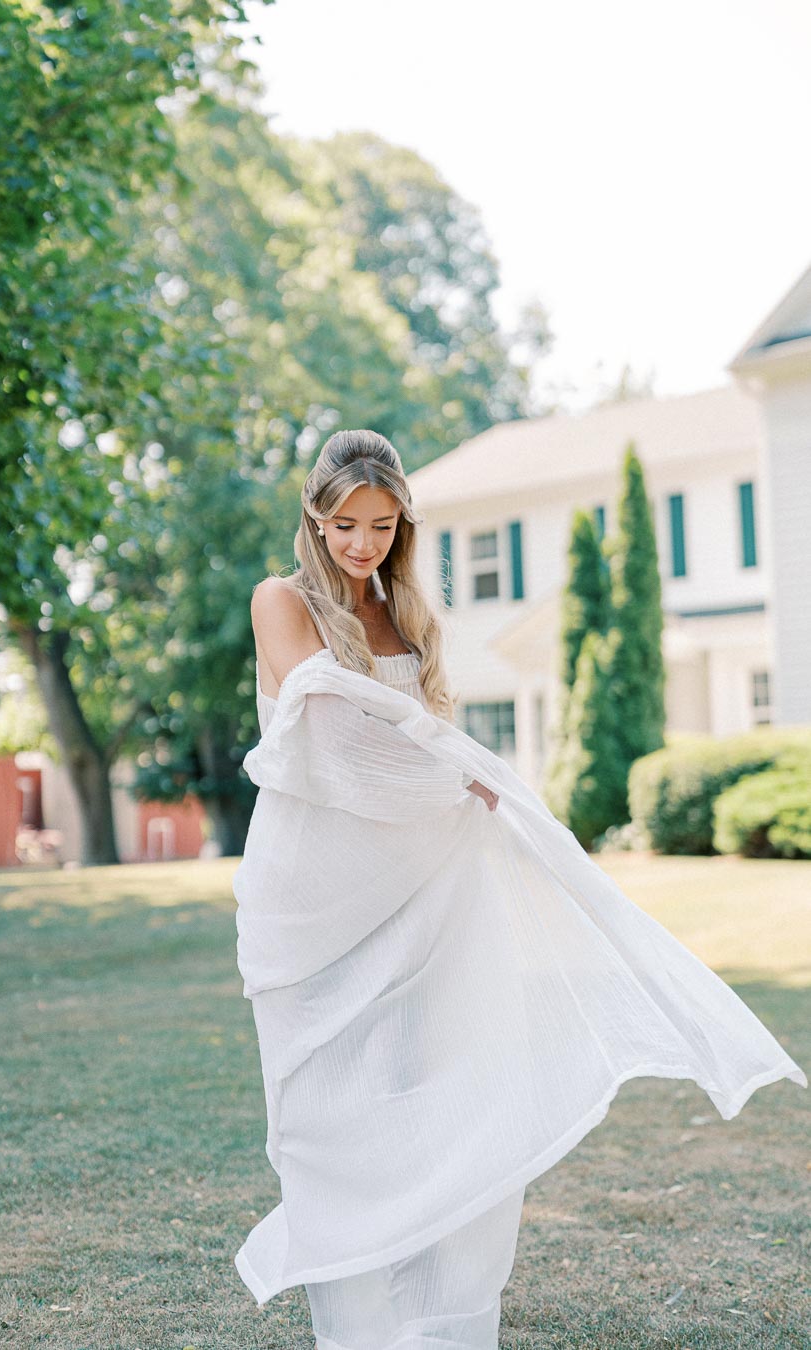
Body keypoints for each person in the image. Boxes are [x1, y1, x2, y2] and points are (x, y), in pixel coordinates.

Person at [233, 429, 806, 1350]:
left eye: (382, 525)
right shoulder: (282, 602)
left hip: (427, 885)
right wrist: (456, 771)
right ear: (314, 517)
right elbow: (338, 753)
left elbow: (423, 744)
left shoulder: (410, 617)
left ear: (403, 525)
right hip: (319, 898)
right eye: (345, 524)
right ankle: (357, 1332)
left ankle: (438, 1325)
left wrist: (463, 779)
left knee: (455, 1092)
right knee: (333, 1121)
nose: (362, 544)